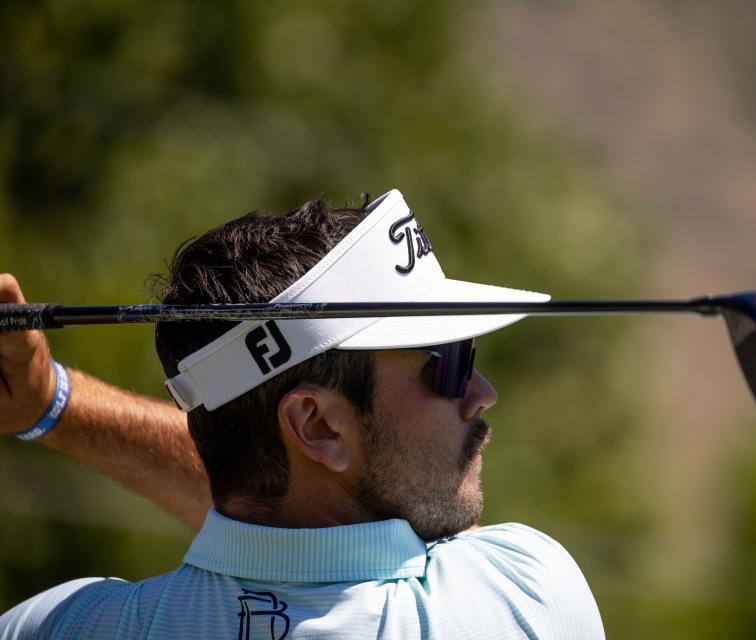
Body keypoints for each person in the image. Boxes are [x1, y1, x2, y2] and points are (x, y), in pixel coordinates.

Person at [0, 190, 605, 639]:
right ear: (317, 426)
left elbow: (279, 510)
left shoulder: (60, 626)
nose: (481, 392)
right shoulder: (525, 595)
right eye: (448, 361)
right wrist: (55, 403)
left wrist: (45, 402)